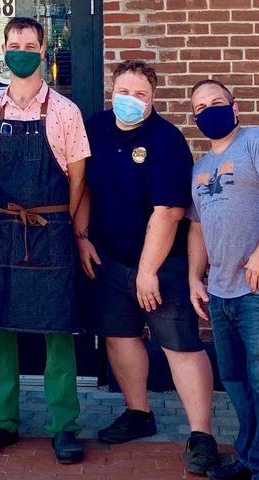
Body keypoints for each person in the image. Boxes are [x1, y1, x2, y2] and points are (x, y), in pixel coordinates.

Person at [75, 60, 219, 475]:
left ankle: (201, 434)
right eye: (124, 91)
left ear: (153, 98)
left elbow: (170, 211)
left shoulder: (166, 139)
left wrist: (147, 270)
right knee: (120, 337)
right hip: (109, 258)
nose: (130, 100)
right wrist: (82, 239)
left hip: (162, 264)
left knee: (179, 345)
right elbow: (84, 186)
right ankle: (138, 413)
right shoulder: (95, 127)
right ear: (112, 90)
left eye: (140, 94)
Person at [0, 17, 90, 465]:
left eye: (30, 44)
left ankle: (64, 427)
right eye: (13, 43)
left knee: (58, 331)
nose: (21, 50)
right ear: (3, 50)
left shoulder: (65, 111)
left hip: (51, 232)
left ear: (42, 51)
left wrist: (55, 220)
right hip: (2, 231)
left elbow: (78, 178)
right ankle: (2, 423)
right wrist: (12, 216)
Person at [187, 79, 259, 480]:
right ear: (195, 118)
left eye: (218, 102)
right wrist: (194, 278)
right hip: (220, 292)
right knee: (236, 382)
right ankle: (249, 459)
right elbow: (196, 229)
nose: (210, 110)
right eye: (201, 107)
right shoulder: (200, 168)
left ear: (235, 109)